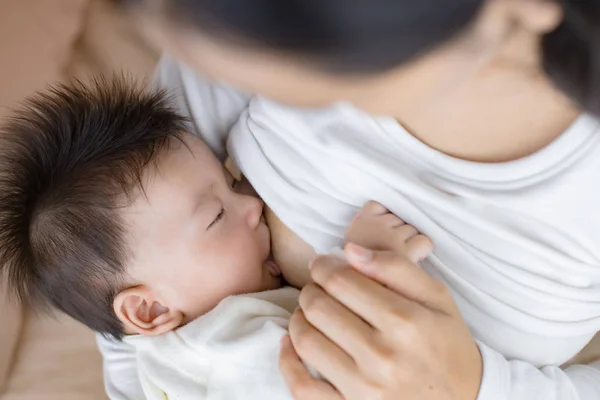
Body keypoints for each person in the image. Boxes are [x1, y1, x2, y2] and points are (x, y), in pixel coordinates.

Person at [98, 0, 600, 399]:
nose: (248, 199)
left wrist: (479, 390)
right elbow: (120, 235)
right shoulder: (231, 25)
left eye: (301, 86)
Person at [0, 78, 433, 399]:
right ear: (149, 309)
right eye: (216, 215)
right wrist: (367, 262)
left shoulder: (184, 351)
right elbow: (330, 374)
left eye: (231, 181)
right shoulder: (223, 348)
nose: (252, 206)